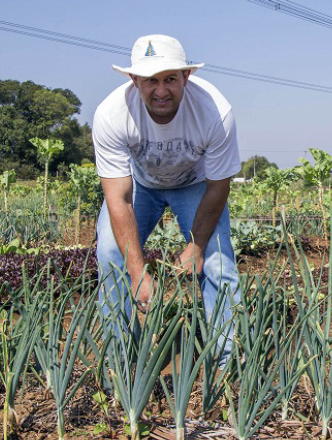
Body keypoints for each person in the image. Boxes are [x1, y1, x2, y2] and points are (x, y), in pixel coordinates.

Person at [93, 34, 241, 360]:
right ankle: (121, 362)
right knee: (109, 252)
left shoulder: (215, 112)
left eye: (170, 79)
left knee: (218, 261)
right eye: (150, 81)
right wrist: (137, 272)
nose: (161, 91)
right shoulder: (111, 115)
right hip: (140, 187)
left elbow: (218, 187)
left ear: (187, 76)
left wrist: (197, 247)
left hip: (195, 185)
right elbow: (118, 199)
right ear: (134, 80)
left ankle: (227, 364)